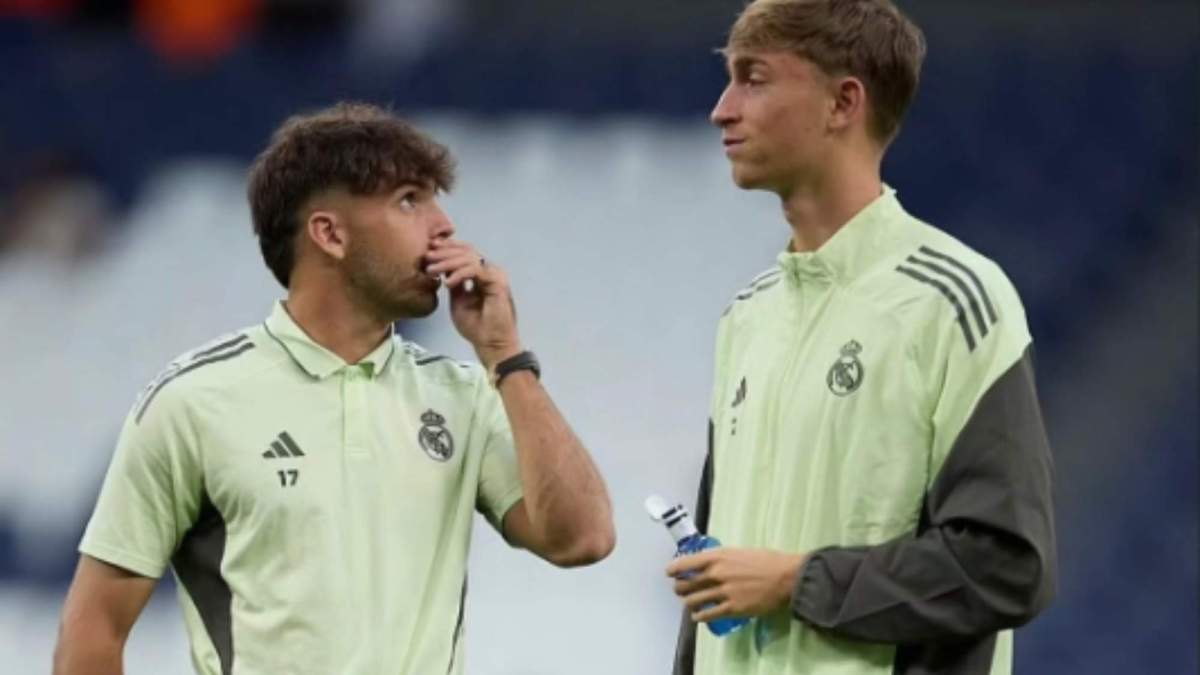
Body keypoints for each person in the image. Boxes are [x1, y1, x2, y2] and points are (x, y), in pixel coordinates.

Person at [52, 102, 615, 675]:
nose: (444, 226)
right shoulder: (191, 403)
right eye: (409, 200)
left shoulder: (463, 394)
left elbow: (583, 538)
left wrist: (505, 356)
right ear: (329, 234)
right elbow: (94, 631)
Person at [667, 2, 1056, 674]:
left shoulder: (955, 300)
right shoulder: (745, 318)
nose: (722, 109)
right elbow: (719, 580)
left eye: (753, 79)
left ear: (842, 102)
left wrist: (797, 581)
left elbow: (1006, 564)